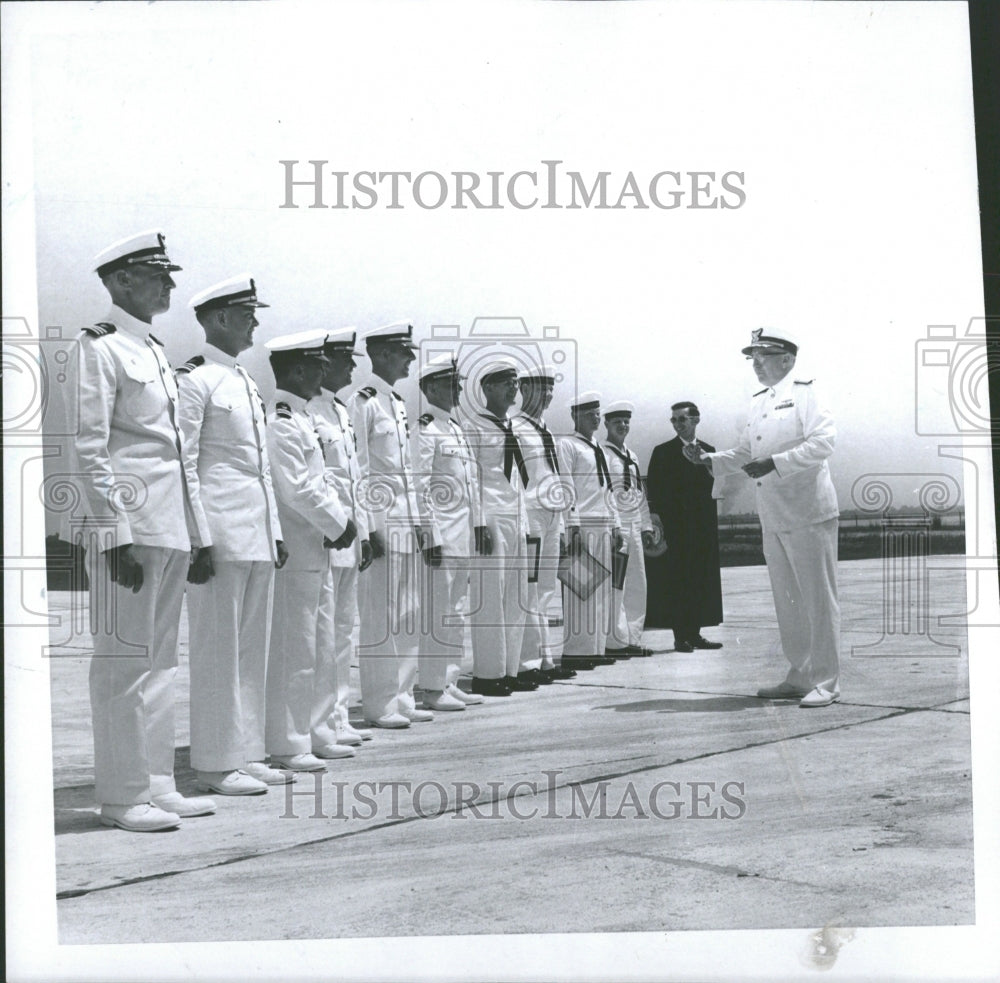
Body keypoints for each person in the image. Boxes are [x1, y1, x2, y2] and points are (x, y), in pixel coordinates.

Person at [72, 230, 215, 831]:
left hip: (169, 525)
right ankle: (123, 795)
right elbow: (89, 443)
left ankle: (156, 782)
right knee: (122, 663)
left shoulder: (153, 348)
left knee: (160, 663)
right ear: (121, 280)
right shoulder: (99, 346)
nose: (170, 286)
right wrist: (114, 533)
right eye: (157, 274)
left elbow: (180, 455)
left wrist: (199, 534)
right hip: (130, 527)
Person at [178, 274, 291, 796]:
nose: (255, 323)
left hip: (254, 532)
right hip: (219, 530)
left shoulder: (244, 381)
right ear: (219, 318)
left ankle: (246, 753)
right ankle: (215, 763)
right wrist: (199, 537)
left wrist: (273, 531)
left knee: (251, 650)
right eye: (247, 314)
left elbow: (262, 469)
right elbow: (187, 461)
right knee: (216, 650)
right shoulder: (195, 379)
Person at [687, 329, 840, 707]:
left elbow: (823, 442)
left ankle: (827, 681)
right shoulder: (761, 402)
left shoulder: (806, 392)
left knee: (818, 599)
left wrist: (775, 463)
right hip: (772, 514)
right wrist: (710, 461)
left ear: (787, 359)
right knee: (788, 601)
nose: (756, 363)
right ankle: (799, 675)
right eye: (752, 357)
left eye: (764, 355)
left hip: (807, 511)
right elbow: (744, 451)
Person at [264, 330, 358, 771]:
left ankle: (316, 731)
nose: (325, 371)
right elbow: (298, 488)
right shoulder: (281, 420)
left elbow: (323, 482)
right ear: (298, 369)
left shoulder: (302, 418)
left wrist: (338, 524)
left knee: (320, 646)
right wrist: (339, 523)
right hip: (299, 547)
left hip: (317, 546)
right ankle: (288, 741)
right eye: (318, 365)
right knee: (296, 648)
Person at [348, 322, 430, 728]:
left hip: (404, 519)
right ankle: (380, 702)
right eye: (403, 352)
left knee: (408, 611)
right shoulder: (361, 403)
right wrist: (368, 528)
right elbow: (358, 470)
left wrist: (418, 521)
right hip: (382, 521)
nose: (410, 359)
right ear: (380, 354)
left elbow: (408, 471)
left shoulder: (396, 404)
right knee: (380, 614)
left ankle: (403, 693)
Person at [309, 328, 375, 748]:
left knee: (344, 632)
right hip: (326, 536)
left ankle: (337, 715)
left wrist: (365, 532)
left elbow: (358, 476)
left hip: (350, 536)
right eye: (345, 359)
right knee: (323, 635)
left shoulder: (340, 411)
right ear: (323, 362)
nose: (353, 366)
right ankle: (319, 723)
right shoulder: (307, 412)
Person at [413, 353, 488, 709]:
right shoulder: (426, 428)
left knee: (456, 610)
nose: (457, 389)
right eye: (449, 383)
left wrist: (479, 525)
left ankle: (449, 679)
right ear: (429, 388)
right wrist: (430, 535)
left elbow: (471, 483)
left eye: (457, 383)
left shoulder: (456, 428)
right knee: (438, 612)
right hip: (442, 535)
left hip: (463, 536)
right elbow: (421, 485)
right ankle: (429, 687)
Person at [462, 357, 535, 696]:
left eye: (516, 381)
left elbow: (520, 478)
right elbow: (471, 479)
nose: (513, 387)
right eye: (505, 381)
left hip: (516, 517)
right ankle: (488, 674)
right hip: (490, 517)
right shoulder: (473, 426)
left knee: (517, 597)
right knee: (490, 597)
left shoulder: (516, 427)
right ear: (487, 388)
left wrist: (524, 521)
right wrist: (478, 522)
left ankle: (511, 668)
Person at [513, 366, 577, 682]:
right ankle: (528, 662)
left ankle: (546, 659)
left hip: (552, 515)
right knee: (529, 588)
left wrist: (563, 523)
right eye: (540, 388)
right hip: (531, 514)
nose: (547, 395)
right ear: (523, 389)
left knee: (547, 589)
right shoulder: (513, 428)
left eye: (551, 388)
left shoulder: (547, 431)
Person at [645, 401, 724, 652]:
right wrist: (657, 521)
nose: (678, 424)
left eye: (682, 419)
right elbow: (654, 490)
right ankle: (681, 637)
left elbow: (720, 484)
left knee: (701, 579)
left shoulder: (710, 451)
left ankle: (696, 633)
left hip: (702, 529)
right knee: (678, 582)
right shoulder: (663, 451)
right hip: (676, 530)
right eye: (674, 420)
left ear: (696, 420)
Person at [558, 392, 623, 672]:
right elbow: (565, 486)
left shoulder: (598, 448)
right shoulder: (568, 445)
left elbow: (608, 490)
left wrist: (616, 523)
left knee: (600, 592)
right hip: (582, 524)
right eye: (588, 414)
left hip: (603, 523)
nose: (595, 418)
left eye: (597, 414)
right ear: (575, 417)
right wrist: (570, 524)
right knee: (580, 590)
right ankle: (576, 651)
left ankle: (595, 648)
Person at [601, 401, 656, 657]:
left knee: (637, 583)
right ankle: (615, 641)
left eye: (625, 422)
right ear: (607, 425)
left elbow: (639, 493)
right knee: (616, 585)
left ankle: (632, 638)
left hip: (634, 525)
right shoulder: (602, 454)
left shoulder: (631, 456)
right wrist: (612, 525)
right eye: (617, 422)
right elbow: (602, 493)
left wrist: (646, 526)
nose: (622, 426)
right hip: (616, 528)